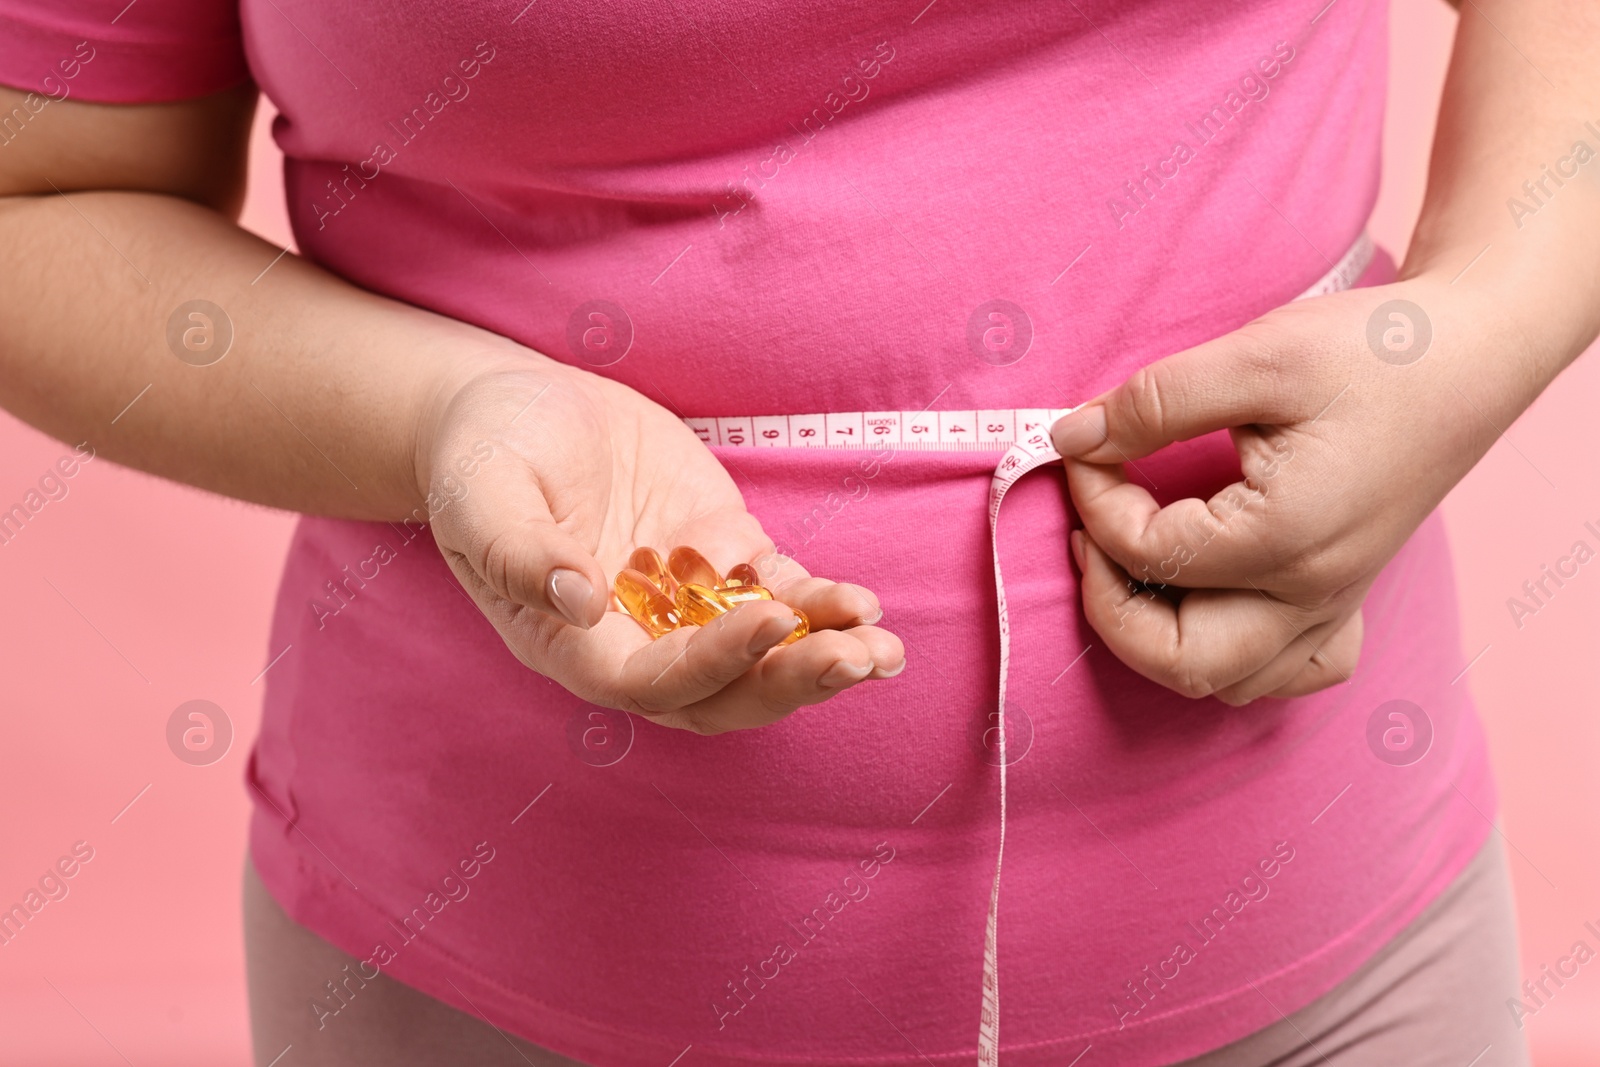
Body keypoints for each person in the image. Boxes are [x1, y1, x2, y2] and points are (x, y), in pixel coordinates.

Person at [0, 0, 1594, 1063]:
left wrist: (1473, 330)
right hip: (489, 982)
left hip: (1343, 971)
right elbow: (39, 198)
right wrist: (439, 421)